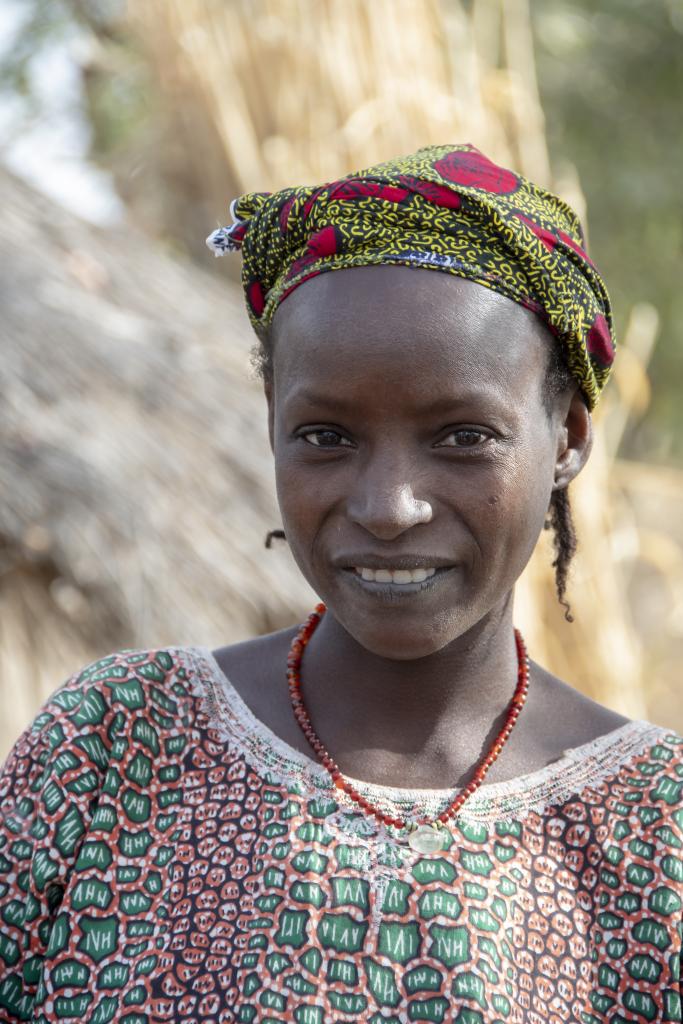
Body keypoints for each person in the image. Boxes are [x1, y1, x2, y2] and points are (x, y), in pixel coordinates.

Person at [0, 144, 680, 1024]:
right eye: (325, 435)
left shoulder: (652, 829)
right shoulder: (120, 744)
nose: (388, 506)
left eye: (463, 436)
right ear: (272, 429)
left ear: (567, 438)